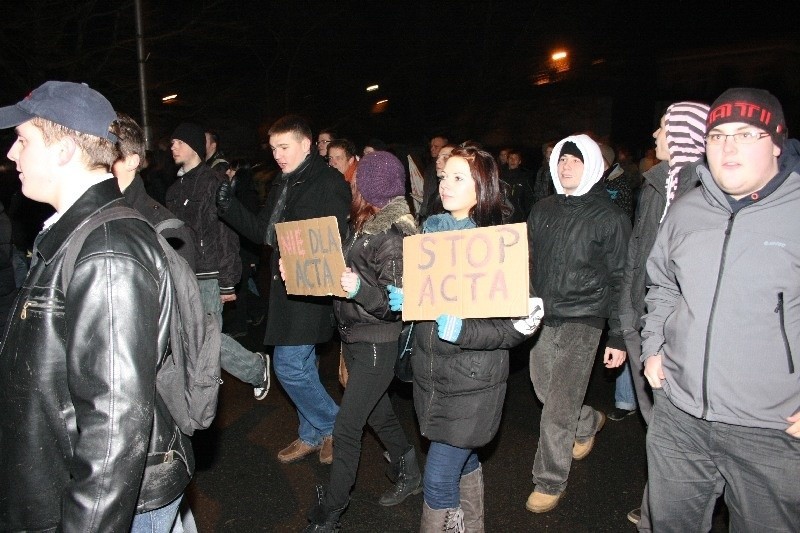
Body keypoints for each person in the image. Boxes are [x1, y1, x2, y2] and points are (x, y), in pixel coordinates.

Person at [0, 81, 192, 531]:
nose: (11, 154)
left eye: (23, 140)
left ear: (65, 149)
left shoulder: (106, 250)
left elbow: (114, 422)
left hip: (105, 500)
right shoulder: (74, 232)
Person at [641, 88, 800, 532]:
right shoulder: (688, 209)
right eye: (718, 135)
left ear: (776, 142)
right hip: (680, 416)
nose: (728, 147)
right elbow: (663, 283)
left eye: (745, 134)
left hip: (770, 428)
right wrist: (653, 346)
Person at [390, 144, 542, 532]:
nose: (445, 185)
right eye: (443, 177)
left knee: (438, 478)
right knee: (466, 461)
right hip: (432, 377)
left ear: (483, 187)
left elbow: (516, 326)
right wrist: (410, 301)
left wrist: (465, 330)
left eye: (459, 178)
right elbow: (431, 305)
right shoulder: (430, 235)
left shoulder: (499, 244)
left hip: (474, 382)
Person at [216, 115, 351, 464]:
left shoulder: (328, 181)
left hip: (310, 290)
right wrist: (228, 206)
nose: (277, 155)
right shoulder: (283, 181)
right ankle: (312, 433)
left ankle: (334, 424)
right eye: (273, 148)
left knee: (288, 366)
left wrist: (298, 257)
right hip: (284, 288)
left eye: (284, 147)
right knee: (301, 366)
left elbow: (333, 239)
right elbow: (264, 233)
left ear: (306, 145)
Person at [303, 151, 421, 531]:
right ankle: (409, 467)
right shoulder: (366, 225)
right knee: (377, 412)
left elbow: (395, 303)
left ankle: (331, 515)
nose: (351, 183)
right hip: (354, 336)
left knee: (347, 427)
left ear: (369, 185)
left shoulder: (394, 235)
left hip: (376, 341)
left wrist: (357, 290)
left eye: (358, 179)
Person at [616, 101, 710, 528]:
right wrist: (624, 318)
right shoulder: (658, 184)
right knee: (658, 429)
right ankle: (660, 507)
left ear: (684, 135)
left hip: (675, 331)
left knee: (671, 434)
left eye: (662, 128)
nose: (655, 136)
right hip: (642, 321)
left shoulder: (703, 193)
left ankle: (663, 513)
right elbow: (637, 257)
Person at [525, 134, 631, 513]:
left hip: (585, 318)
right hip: (543, 315)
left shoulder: (611, 217)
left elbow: (622, 278)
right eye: (561, 160)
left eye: (575, 160)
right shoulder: (542, 210)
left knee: (557, 406)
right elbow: (528, 262)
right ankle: (587, 422)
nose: (566, 166)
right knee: (544, 389)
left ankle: (549, 480)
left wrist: (617, 335)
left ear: (593, 166)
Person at [166, 122, 270, 400]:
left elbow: (226, 233)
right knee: (189, 336)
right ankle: (200, 391)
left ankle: (254, 369)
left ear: (194, 147)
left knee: (205, 338)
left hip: (209, 274)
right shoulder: (174, 190)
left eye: (178, 141)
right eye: (172, 142)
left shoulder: (212, 182)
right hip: (183, 274)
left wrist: (227, 281)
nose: (172, 146)